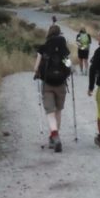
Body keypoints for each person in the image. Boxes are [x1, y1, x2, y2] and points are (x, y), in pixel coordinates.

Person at [34, 25, 71, 153]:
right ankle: (54, 137)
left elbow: (36, 68)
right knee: (58, 110)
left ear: (49, 33)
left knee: (50, 111)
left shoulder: (43, 48)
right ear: (60, 33)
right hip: (61, 83)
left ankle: (54, 135)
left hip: (48, 83)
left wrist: (38, 73)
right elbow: (68, 65)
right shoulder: (63, 48)